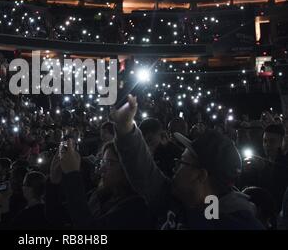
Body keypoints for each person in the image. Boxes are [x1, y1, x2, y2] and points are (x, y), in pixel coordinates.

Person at [111, 95, 263, 229]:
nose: (175, 167)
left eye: (182, 163)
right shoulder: (177, 199)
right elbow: (144, 173)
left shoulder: (236, 224)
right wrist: (125, 128)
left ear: (201, 176)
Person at [48, 139, 152, 230]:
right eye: (103, 162)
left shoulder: (137, 208)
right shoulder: (99, 195)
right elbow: (58, 218)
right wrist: (53, 182)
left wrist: (73, 175)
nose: (102, 169)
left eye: (109, 163)